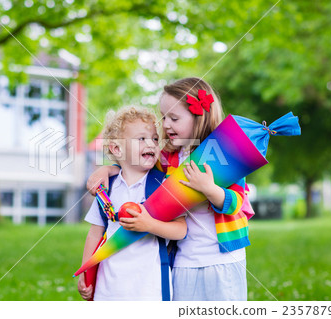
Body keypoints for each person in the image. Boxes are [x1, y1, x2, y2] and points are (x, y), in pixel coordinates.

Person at [86, 78, 251, 301]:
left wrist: (209, 189)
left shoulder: (225, 152)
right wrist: (108, 169)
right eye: (164, 117)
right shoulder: (167, 157)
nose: (165, 125)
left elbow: (236, 203)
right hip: (183, 259)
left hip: (222, 258)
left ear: (198, 116)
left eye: (173, 118)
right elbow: (135, 164)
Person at [77, 105, 187, 301]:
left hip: (150, 290)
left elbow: (181, 229)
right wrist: (86, 273)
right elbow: (94, 234)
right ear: (116, 148)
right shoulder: (106, 189)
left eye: (155, 139)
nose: (152, 144)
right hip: (108, 289)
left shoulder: (164, 185)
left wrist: (149, 225)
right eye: (141, 139)